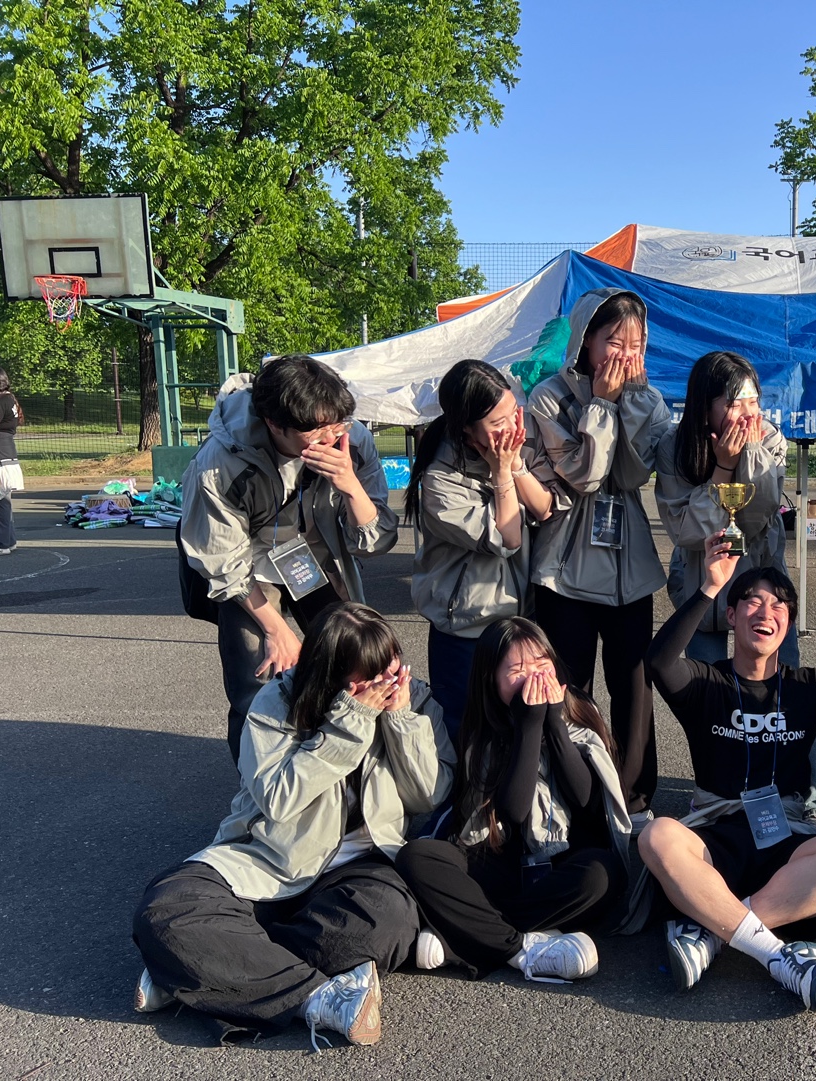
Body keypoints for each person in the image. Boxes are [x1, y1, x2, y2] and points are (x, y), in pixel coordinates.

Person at [131, 603, 454, 1048]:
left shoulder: (412, 697)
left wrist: (399, 721)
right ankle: (318, 997)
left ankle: (203, 970)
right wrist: (349, 724)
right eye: (370, 678)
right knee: (165, 913)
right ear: (331, 679)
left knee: (388, 923)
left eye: (393, 667)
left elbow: (428, 796)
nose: (388, 682)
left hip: (360, 863)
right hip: (264, 859)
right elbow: (278, 799)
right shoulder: (276, 702)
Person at [638, 534, 816, 1014]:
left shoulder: (807, 686)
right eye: (753, 601)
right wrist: (709, 586)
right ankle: (777, 955)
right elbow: (658, 663)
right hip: (717, 832)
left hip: (789, 839)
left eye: (780, 604)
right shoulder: (706, 682)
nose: (767, 611)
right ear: (732, 614)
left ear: (789, 624)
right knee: (657, 835)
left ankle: (713, 935)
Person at [180, 355, 399, 762]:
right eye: (317, 429)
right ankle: (261, 786)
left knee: (356, 658)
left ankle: (352, 773)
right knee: (259, 677)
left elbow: (375, 541)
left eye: (338, 422)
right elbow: (222, 564)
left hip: (313, 556)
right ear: (274, 424)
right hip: (247, 569)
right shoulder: (219, 464)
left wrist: (350, 485)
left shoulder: (351, 441)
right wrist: (275, 629)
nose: (331, 436)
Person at [395, 618, 631, 983]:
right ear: (491, 679)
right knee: (417, 857)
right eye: (517, 671)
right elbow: (513, 810)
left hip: (564, 861)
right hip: (500, 859)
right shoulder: (483, 729)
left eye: (541, 664)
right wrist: (528, 726)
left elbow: (585, 799)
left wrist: (553, 724)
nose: (532, 677)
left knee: (601, 875)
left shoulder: (579, 712)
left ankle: (464, 936)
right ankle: (518, 946)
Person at [526, 288, 672, 826]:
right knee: (570, 685)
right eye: (614, 341)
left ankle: (634, 799)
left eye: (636, 344)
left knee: (633, 685)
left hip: (628, 567)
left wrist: (628, 404)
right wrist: (602, 406)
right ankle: (574, 794)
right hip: (564, 568)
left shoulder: (648, 398)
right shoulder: (548, 398)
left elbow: (631, 475)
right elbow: (585, 476)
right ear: (585, 340)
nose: (626, 355)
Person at [407, 359, 560, 738]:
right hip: (466, 628)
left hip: (518, 621)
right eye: (497, 422)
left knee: (519, 727)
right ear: (465, 428)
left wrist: (515, 465)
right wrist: (502, 472)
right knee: (464, 730)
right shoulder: (441, 480)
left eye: (512, 413)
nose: (512, 428)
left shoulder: (512, 448)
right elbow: (509, 539)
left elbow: (544, 508)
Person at [655, 350, 795, 667]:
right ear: (704, 408)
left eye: (753, 402)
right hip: (701, 580)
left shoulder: (769, 439)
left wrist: (752, 452)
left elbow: (756, 518)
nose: (748, 414)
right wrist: (724, 467)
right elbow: (688, 532)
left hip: (762, 578)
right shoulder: (674, 447)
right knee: (705, 684)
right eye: (734, 404)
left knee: (780, 681)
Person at [0, 366, 24, 555]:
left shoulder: (1, 401)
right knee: (2, 500)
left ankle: (2, 544)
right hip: (6, 454)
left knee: (0, 501)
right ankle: (8, 541)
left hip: (0, 455)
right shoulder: (10, 399)